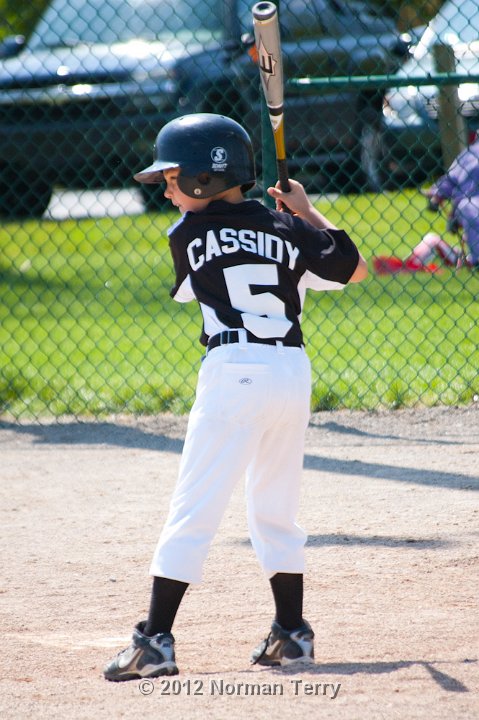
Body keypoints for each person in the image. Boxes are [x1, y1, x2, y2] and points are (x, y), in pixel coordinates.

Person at [103, 113, 368, 681]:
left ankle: (154, 642)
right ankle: (292, 634)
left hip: (232, 372)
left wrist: (273, 223)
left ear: (203, 179)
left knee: (193, 509)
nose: (167, 192)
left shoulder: (185, 234)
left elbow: (190, 287)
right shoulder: (289, 228)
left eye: (172, 179)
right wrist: (303, 212)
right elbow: (355, 270)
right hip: (291, 374)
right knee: (275, 509)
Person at [422, 137, 479, 269]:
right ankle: (476, 259)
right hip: (470, 203)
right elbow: (450, 179)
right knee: (469, 207)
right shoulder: (471, 154)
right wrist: (437, 194)